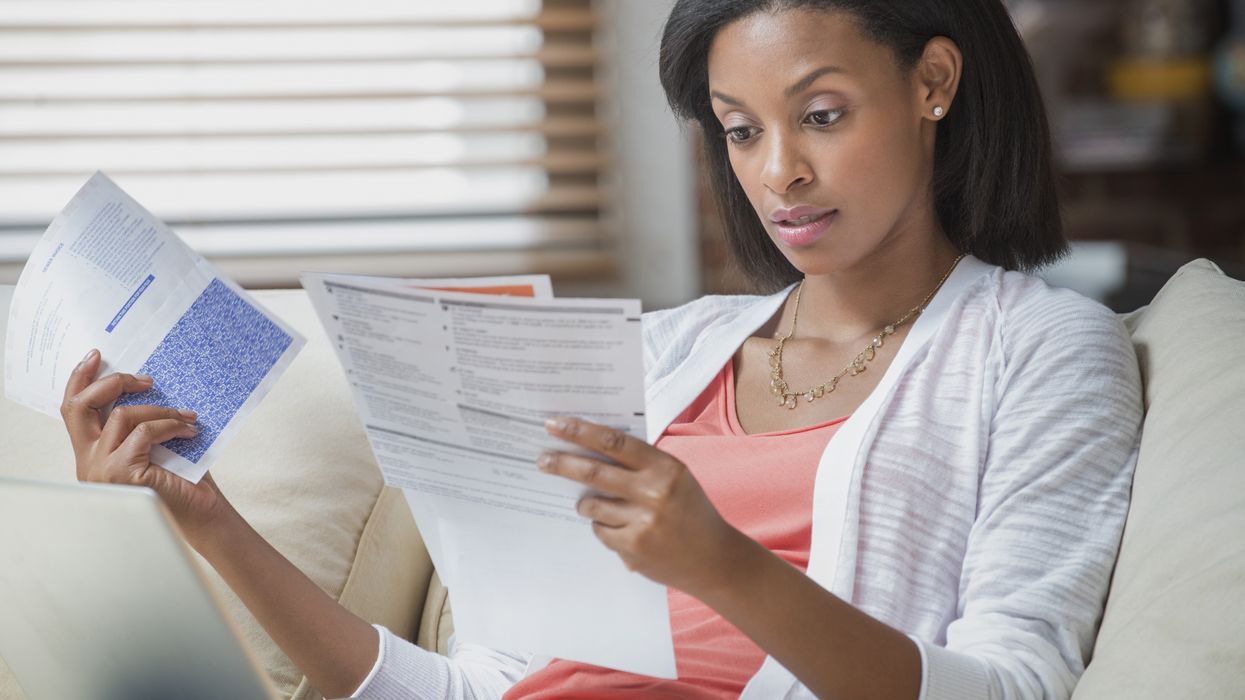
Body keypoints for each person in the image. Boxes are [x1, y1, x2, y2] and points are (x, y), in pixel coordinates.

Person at [60, 1, 1143, 698]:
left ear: (933, 82)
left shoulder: (1041, 350)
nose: (778, 175)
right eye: (741, 128)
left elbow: (1013, 687)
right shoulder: (665, 351)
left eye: (819, 114)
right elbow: (466, 687)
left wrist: (724, 567)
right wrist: (210, 527)